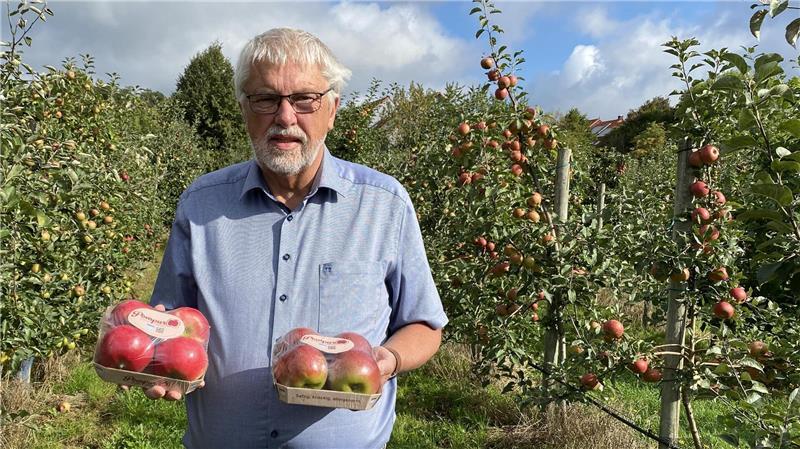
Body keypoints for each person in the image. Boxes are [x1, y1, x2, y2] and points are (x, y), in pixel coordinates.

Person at [144, 28, 448, 448]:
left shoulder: (384, 205)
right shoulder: (202, 204)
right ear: (244, 109)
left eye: (305, 98)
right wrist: (158, 359)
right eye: (266, 99)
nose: (285, 117)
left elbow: (423, 323)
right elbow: (172, 318)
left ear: (333, 110)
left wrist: (389, 359)